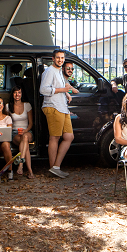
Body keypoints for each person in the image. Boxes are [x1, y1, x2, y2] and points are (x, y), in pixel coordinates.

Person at [40, 49, 77, 178]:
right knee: (54, 137)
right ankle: (53, 168)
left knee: (69, 137)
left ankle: (56, 167)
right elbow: (43, 89)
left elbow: (61, 86)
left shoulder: (59, 71)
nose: (60, 60)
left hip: (62, 107)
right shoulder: (49, 71)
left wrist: (66, 93)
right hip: (53, 107)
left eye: (62, 58)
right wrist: (63, 89)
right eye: (58, 58)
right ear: (53, 58)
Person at [8, 87, 35, 179]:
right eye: (15, 93)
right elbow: (7, 122)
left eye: (19, 92)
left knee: (25, 137)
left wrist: (26, 130)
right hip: (15, 132)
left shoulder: (27, 105)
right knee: (25, 144)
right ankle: (30, 171)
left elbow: (31, 123)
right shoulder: (8, 106)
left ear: (22, 93)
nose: (17, 95)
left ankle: (20, 164)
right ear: (12, 94)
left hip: (27, 131)